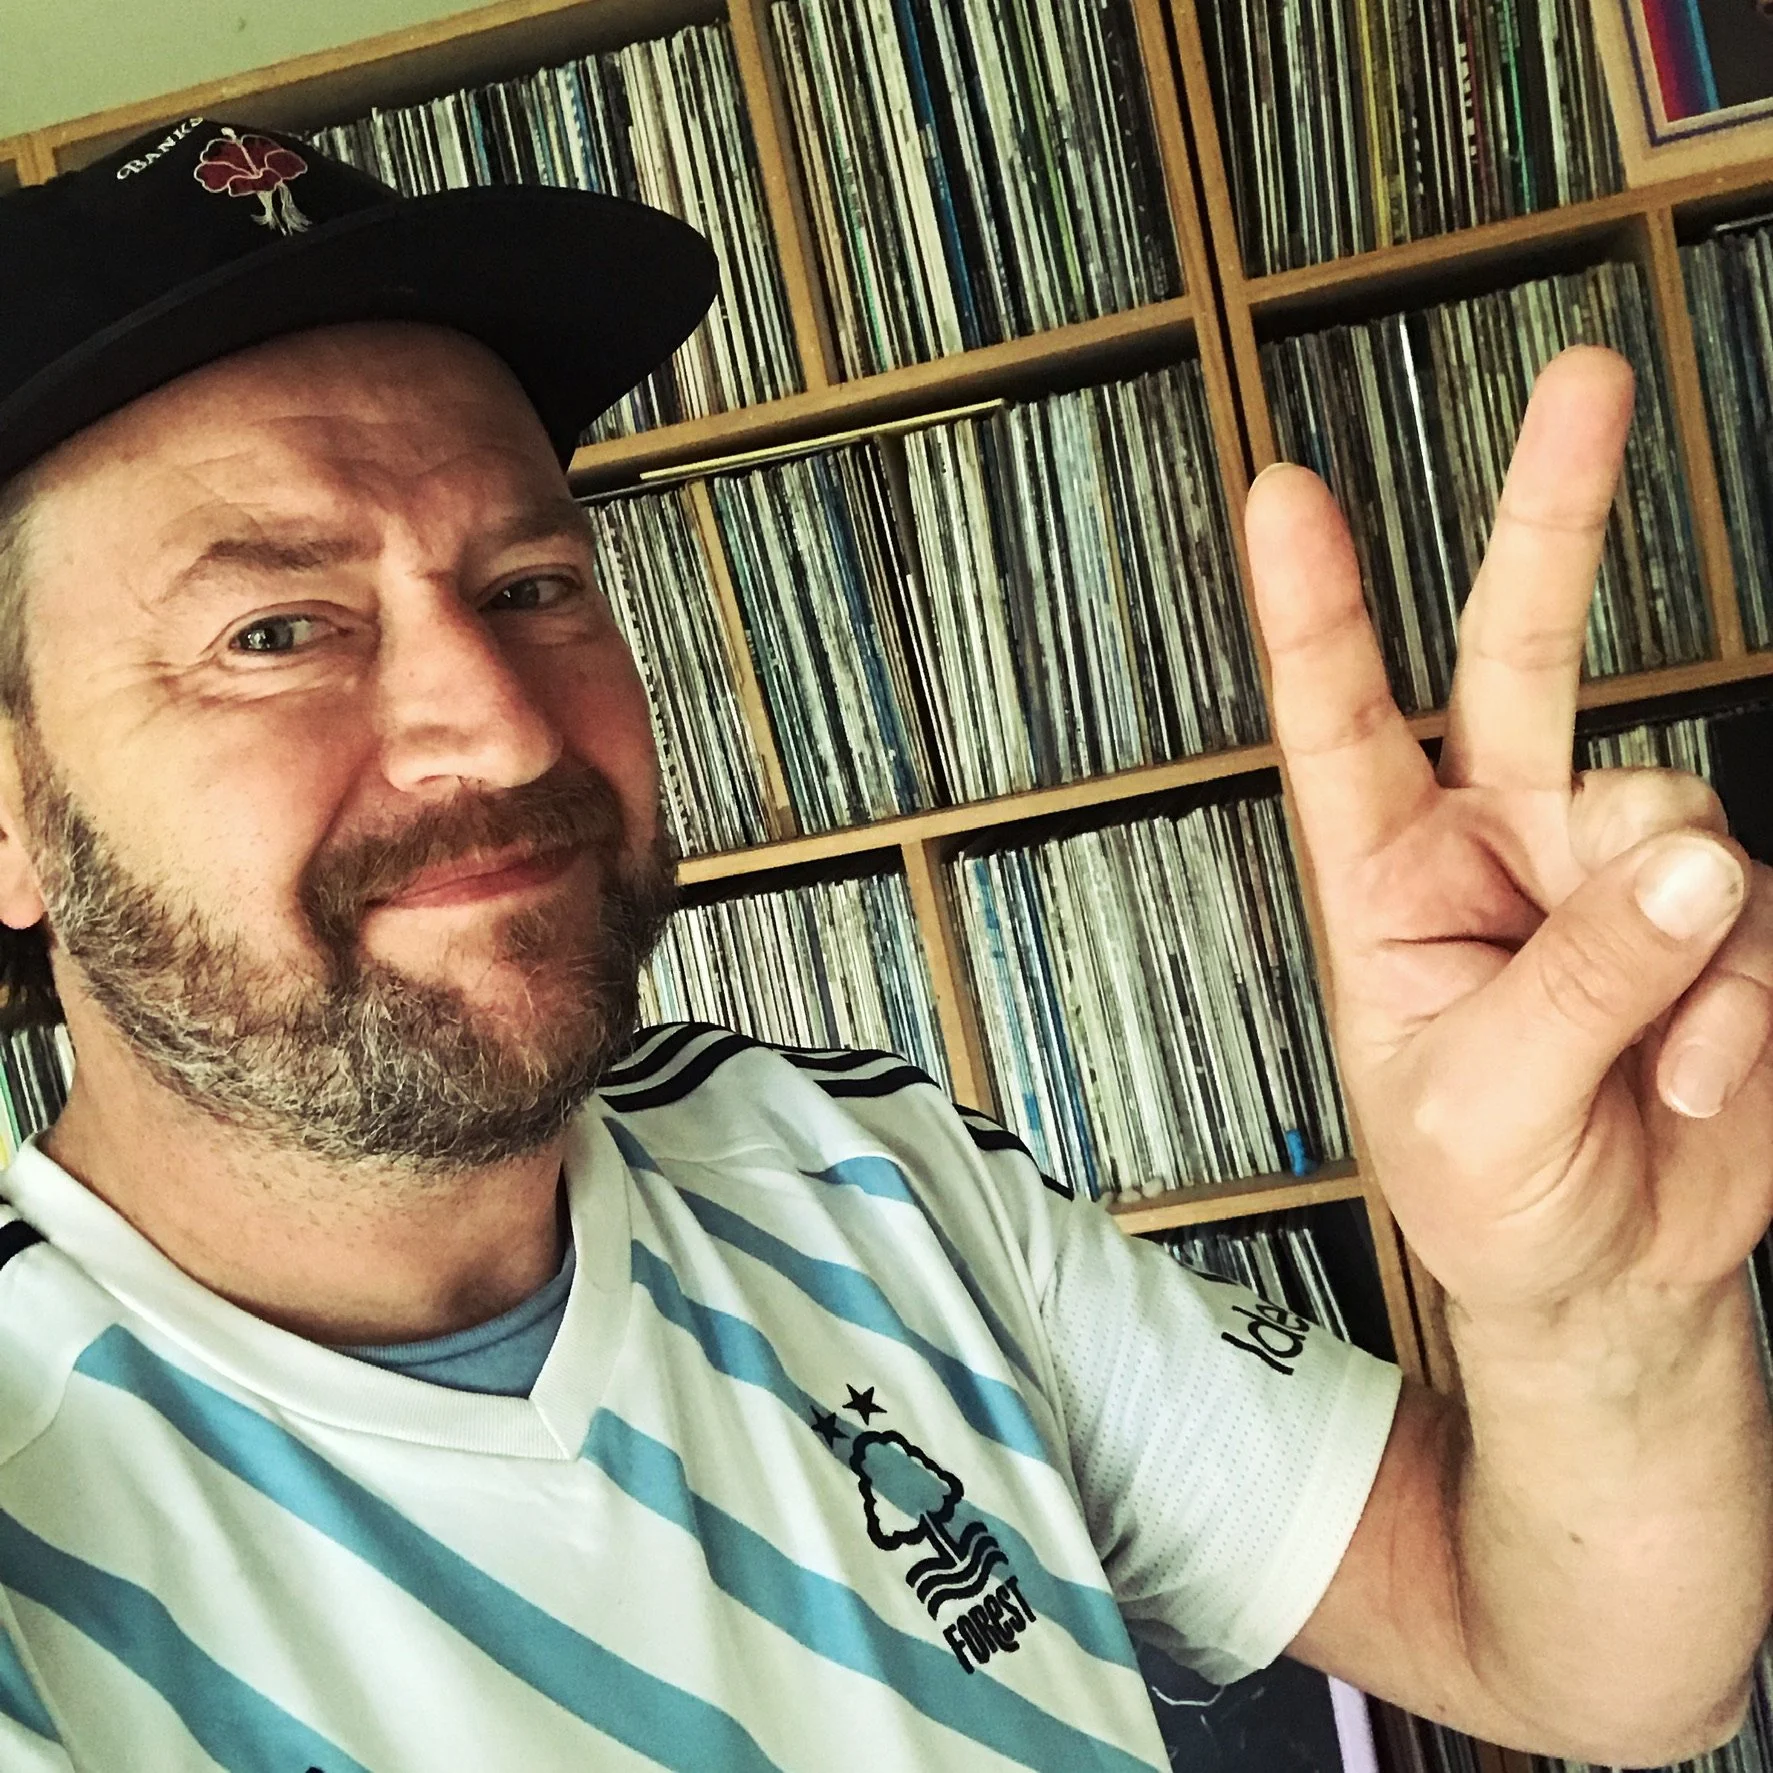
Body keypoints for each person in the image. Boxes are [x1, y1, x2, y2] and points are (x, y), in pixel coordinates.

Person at [0, 119, 1764, 1773]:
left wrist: (1595, 1313)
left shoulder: (862, 1172)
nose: (504, 730)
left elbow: (1580, 1663)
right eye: (275, 630)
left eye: (533, 587)